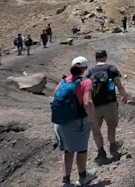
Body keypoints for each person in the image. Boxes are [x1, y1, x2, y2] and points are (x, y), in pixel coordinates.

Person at [52, 56, 98, 186]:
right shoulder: (85, 82)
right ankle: (83, 176)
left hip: (60, 123)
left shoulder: (63, 81)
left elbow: (55, 97)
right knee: (82, 149)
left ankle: (65, 181)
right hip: (77, 122)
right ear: (84, 69)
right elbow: (88, 102)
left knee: (68, 150)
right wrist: (94, 120)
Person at [85, 49, 130, 160]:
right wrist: (124, 96)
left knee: (96, 130)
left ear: (96, 59)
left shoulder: (89, 72)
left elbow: (86, 90)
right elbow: (119, 85)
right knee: (111, 126)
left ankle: (101, 152)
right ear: (105, 57)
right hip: (110, 103)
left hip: (95, 106)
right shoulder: (111, 69)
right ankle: (112, 146)